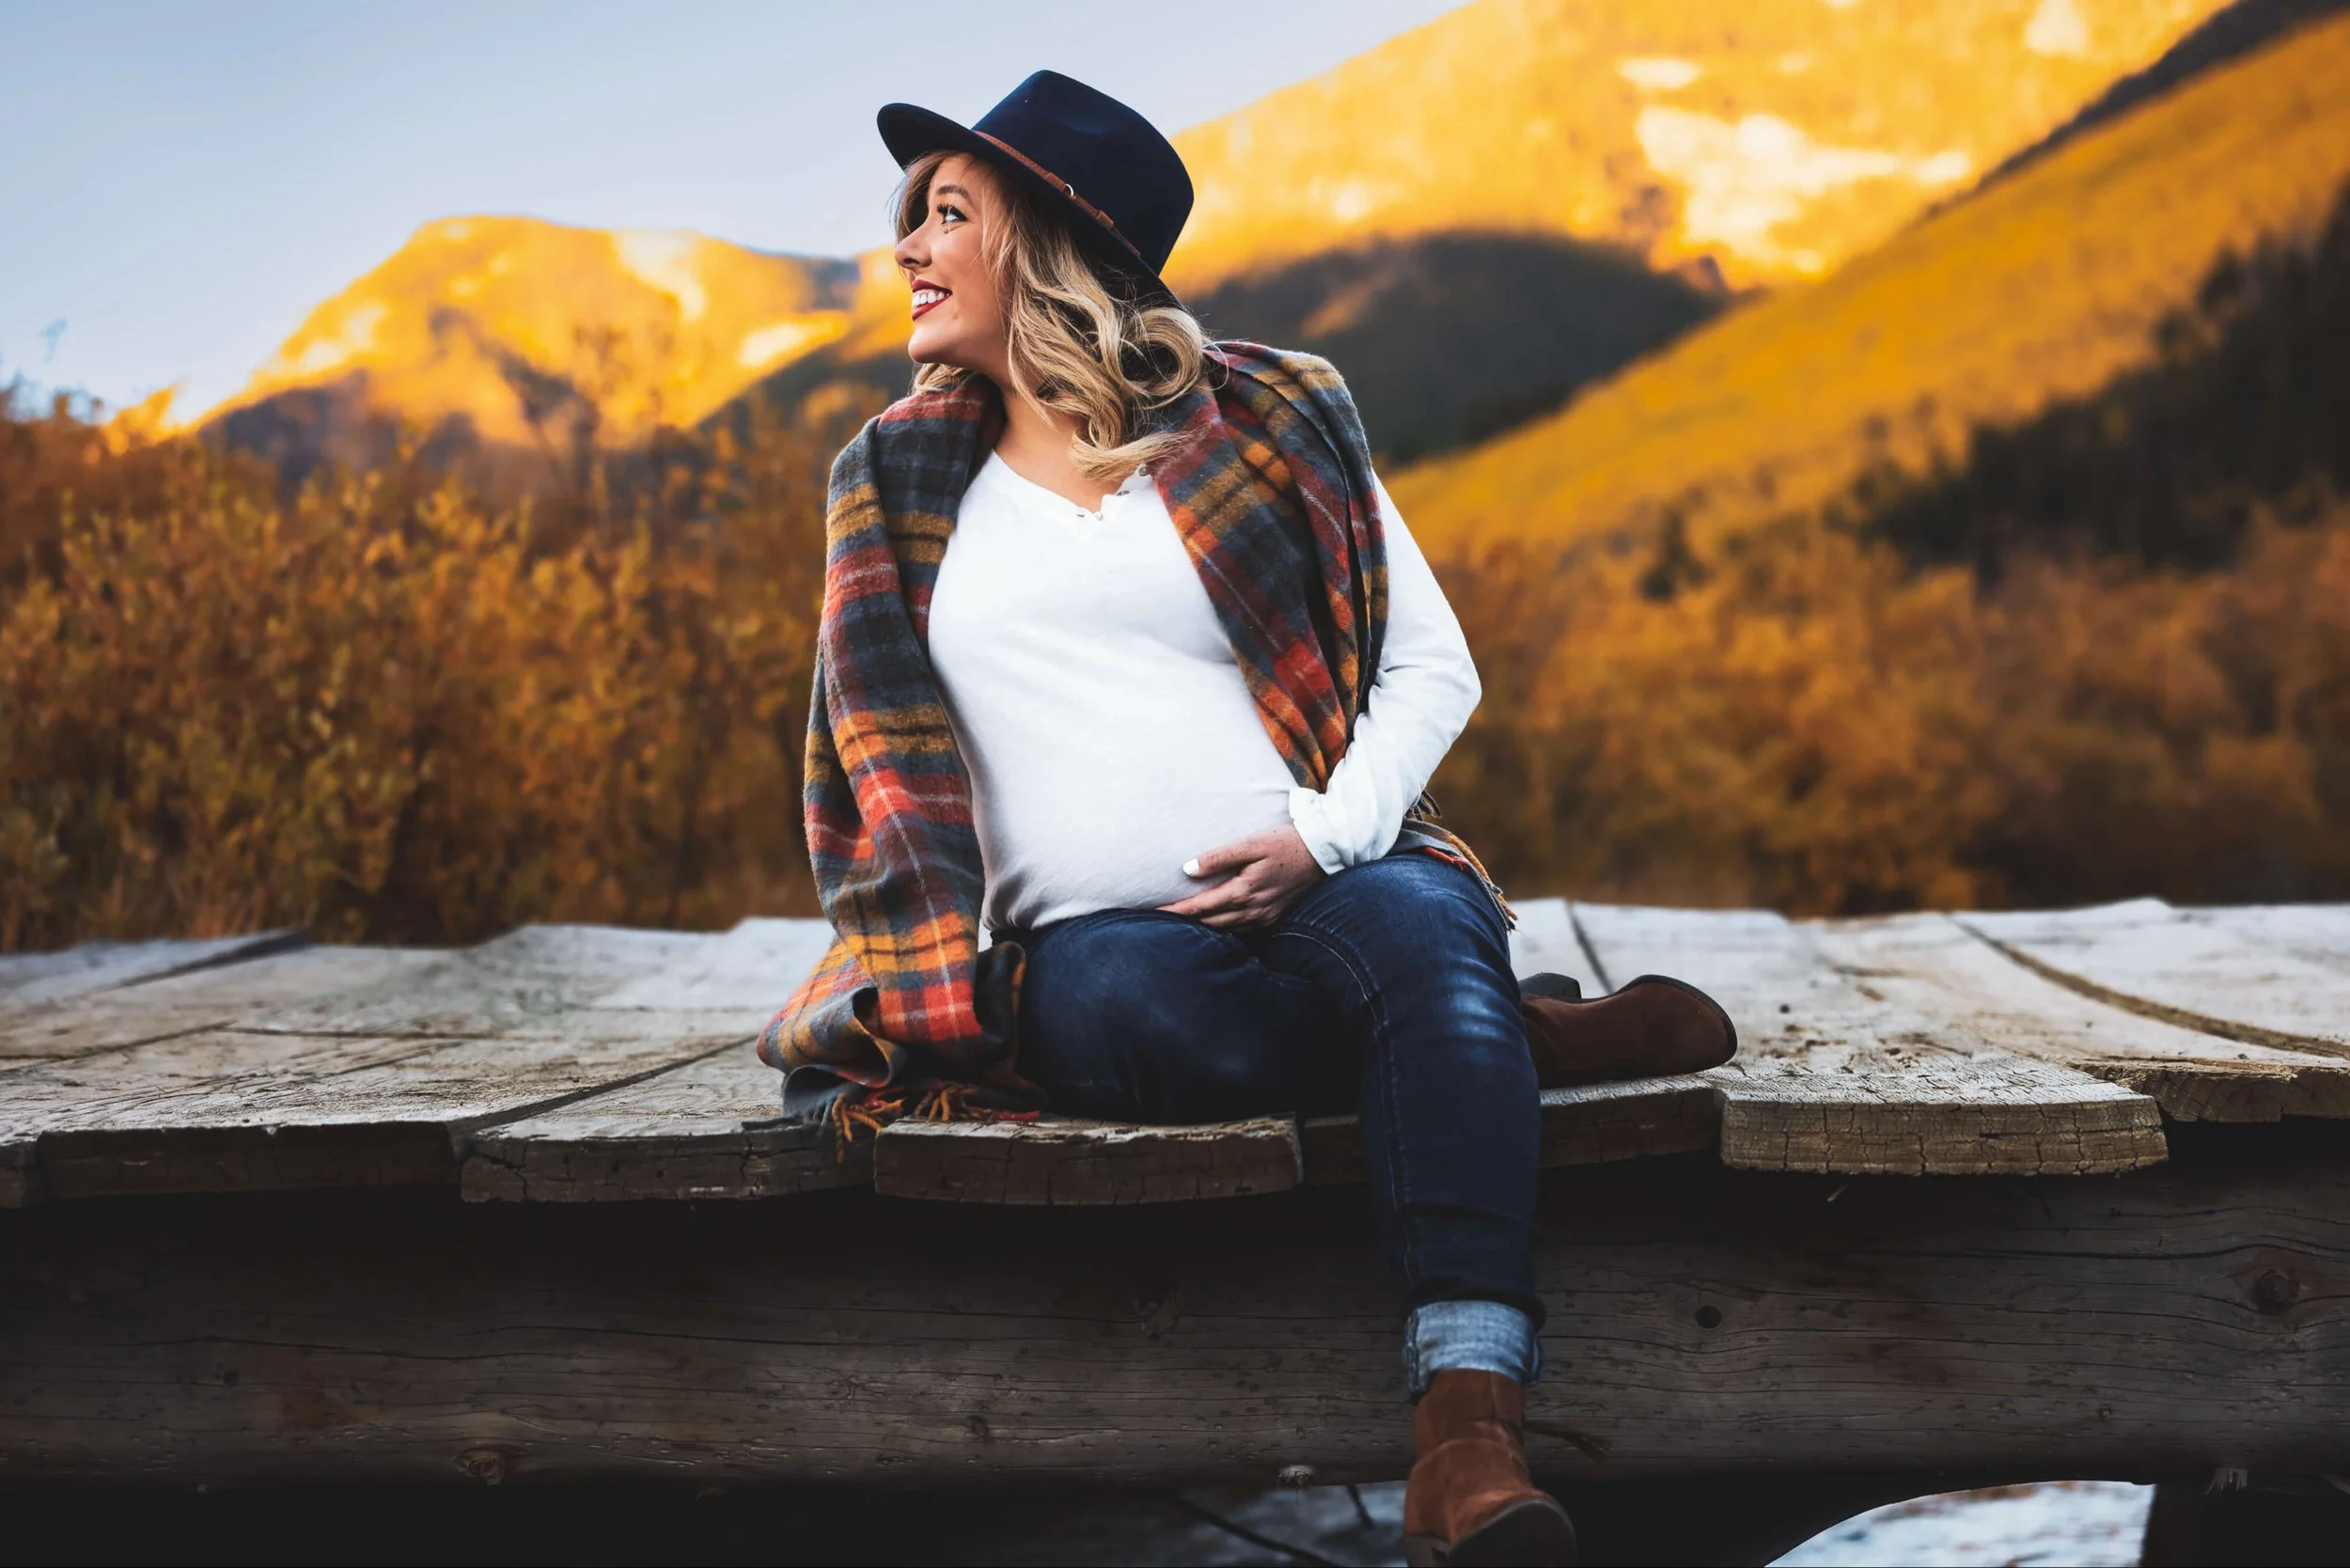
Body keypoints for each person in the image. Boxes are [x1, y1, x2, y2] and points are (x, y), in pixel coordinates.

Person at [760, 71, 1733, 1568]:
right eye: (912, 220)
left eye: (946, 213)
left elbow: (1432, 665)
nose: (908, 249)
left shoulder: (1274, 416)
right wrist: (928, 960)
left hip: (1340, 877)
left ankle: (1466, 1435)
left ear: (1048, 238)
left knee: (1419, 926)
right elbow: (861, 760)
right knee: (1159, 1036)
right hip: (1093, 948)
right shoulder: (892, 482)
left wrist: (1328, 839)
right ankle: (1500, 1044)